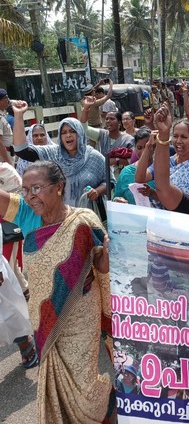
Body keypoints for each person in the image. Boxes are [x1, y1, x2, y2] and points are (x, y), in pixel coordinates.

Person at [0, 160, 113, 422]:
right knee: (56, 381)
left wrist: (106, 259)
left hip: (82, 314)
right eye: (25, 190)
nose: (30, 196)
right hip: (45, 318)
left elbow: (102, 267)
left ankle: (104, 409)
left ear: (59, 187)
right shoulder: (27, 215)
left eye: (37, 188)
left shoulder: (84, 221)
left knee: (84, 385)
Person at [12, 101, 111, 209]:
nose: (68, 135)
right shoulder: (52, 154)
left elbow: (110, 181)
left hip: (89, 218)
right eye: (64, 132)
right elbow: (21, 150)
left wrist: (97, 191)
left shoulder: (94, 157)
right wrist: (18, 115)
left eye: (72, 131)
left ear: (80, 134)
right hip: (60, 218)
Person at [135, 113, 189, 204]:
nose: (178, 141)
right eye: (175, 136)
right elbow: (140, 178)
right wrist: (148, 146)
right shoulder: (167, 162)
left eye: (184, 137)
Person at [113, 127, 155, 205]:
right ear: (134, 148)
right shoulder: (126, 173)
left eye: (147, 147)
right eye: (139, 148)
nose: (143, 152)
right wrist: (118, 200)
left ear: (154, 147)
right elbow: (116, 197)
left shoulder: (160, 170)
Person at [0, 88, 14, 164]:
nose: (8, 100)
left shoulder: (3, 114)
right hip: (3, 157)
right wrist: (7, 161)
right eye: (5, 98)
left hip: (7, 153)